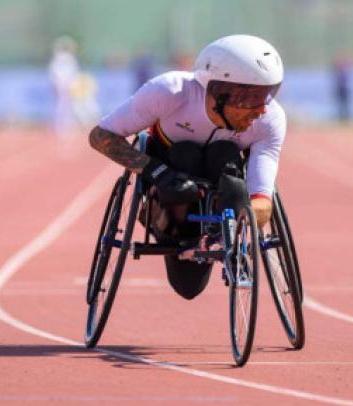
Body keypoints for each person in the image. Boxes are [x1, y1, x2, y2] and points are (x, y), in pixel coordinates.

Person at [88, 34, 286, 300]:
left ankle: (217, 235)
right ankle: (172, 231)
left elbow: (262, 199)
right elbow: (101, 136)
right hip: (171, 186)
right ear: (220, 92)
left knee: (225, 153)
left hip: (223, 190)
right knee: (185, 154)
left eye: (269, 94)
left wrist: (243, 223)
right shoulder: (169, 92)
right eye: (253, 98)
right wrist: (154, 171)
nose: (262, 109)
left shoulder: (270, 120)